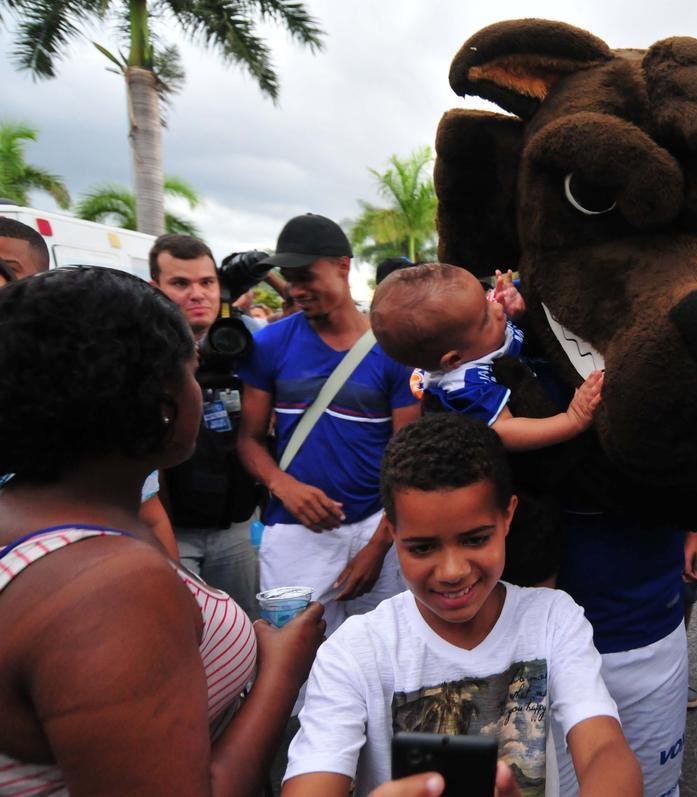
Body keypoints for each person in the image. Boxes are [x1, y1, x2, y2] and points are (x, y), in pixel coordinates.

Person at [0, 266, 323, 794]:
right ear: (164, 405)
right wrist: (281, 671)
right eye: (191, 373)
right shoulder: (107, 587)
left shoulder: (34, 521)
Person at [280, 413, 642, 797]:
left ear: (507, 517)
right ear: (392, 533)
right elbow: (312, 780)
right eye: (423, 547)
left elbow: (604, 748)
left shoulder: (553, 620)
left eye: (475, 540)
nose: (452, 571)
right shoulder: (354, 652)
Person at [238, 213, 421, 635]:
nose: (295, 290)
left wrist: (379, 545)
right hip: (295, 532)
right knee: (292, 655)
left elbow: (409, 459)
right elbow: (248, 440)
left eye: (305, 276)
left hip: (378, 525)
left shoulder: (393, 349)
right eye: (289, 279)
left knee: (385, 652)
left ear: (342, 266)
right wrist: (284, 485)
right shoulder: (269, 344)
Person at [371, 263, 603, 450]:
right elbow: (505, 431)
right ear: (453, 360)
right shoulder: (465, 387)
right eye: (485, 318)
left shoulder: (475, 341)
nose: (497, 309)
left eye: (487, 298)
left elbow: (514, 332)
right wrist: (572, 420)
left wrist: (516, 310)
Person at [151, 233, 263, 615]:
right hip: (173, 530)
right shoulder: (140, 355)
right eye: (180, 283)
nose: (197, 294)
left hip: (237, 528)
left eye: (207, 282)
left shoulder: (247, 344)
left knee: (246, 629)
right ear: (156, 287)